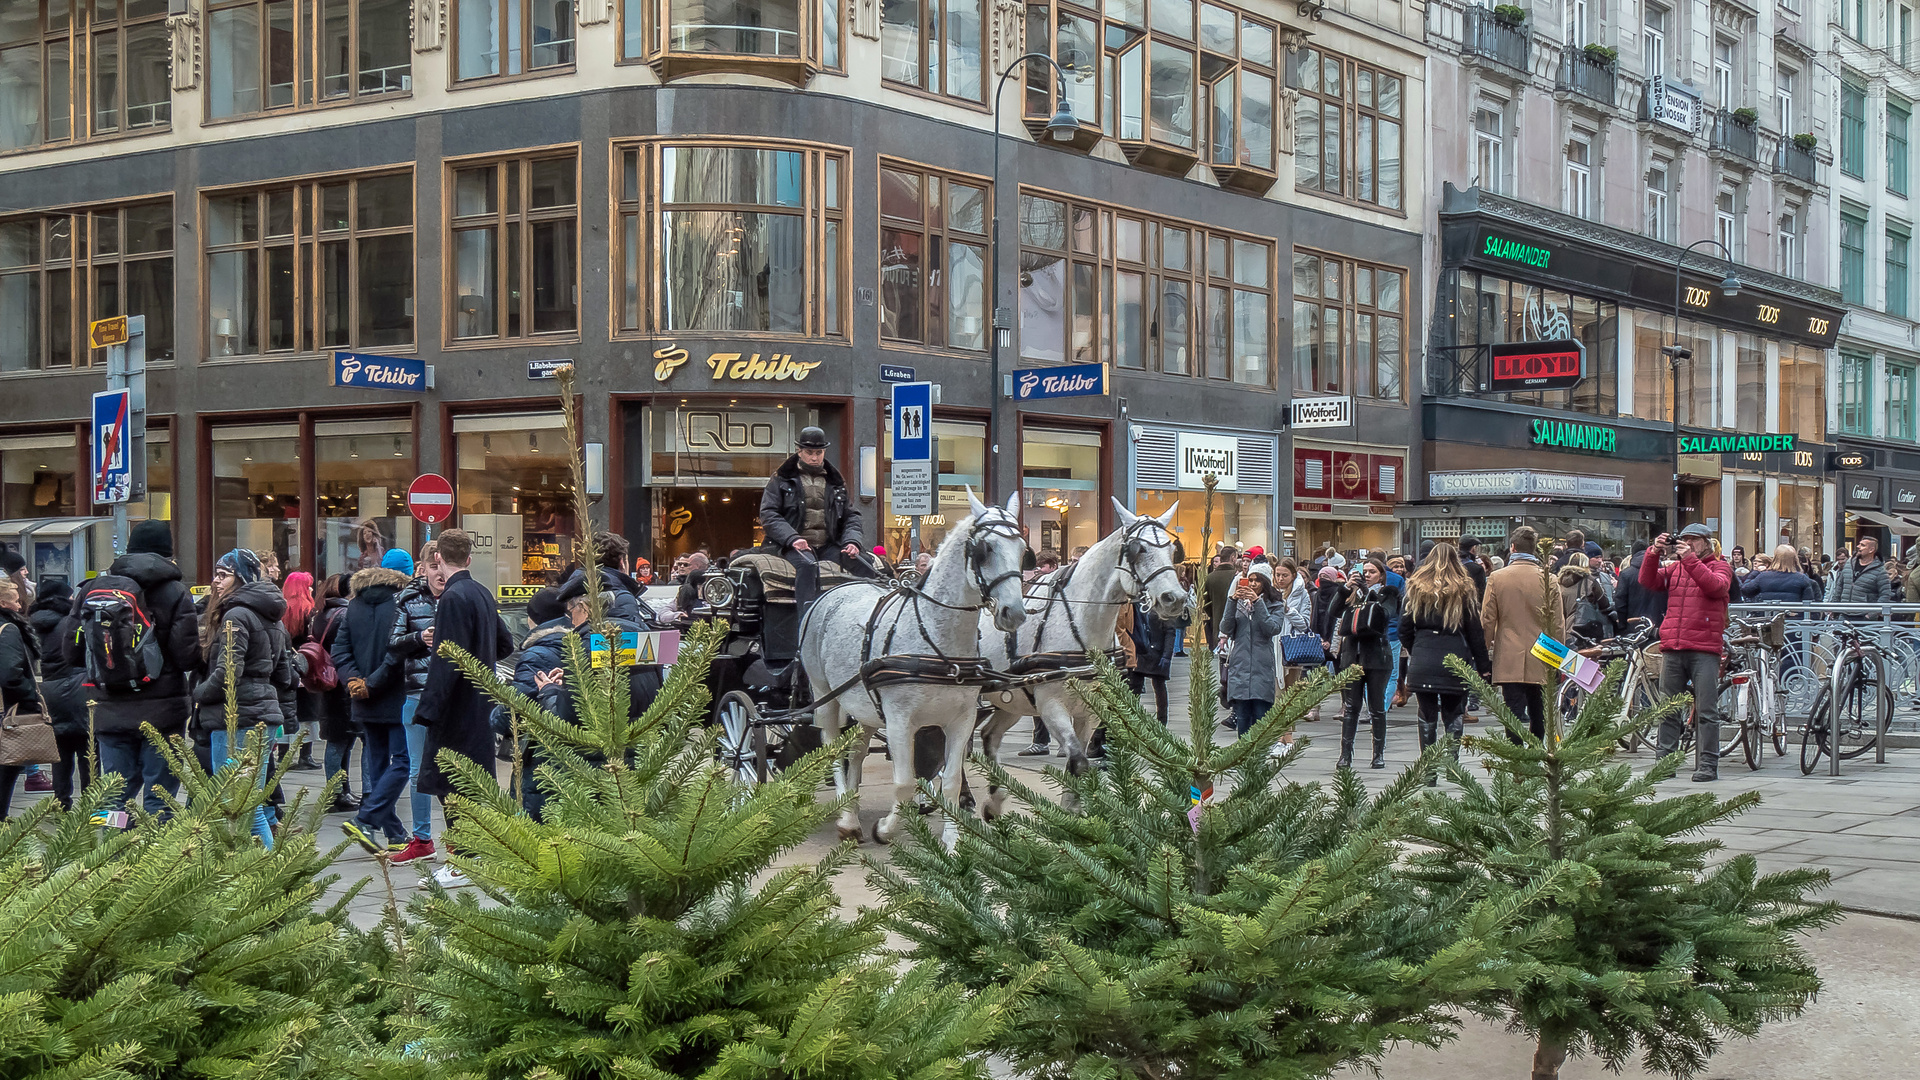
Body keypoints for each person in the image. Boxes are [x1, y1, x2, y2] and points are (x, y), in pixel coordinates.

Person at [65, 519, 200, 818]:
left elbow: (71, 652)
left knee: (113, 794)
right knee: (159, 795)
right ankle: (156, 858)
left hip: (110, 707)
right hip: (163, 711)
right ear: (168, 553)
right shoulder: (176, 592)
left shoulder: (94, 588)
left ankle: (112, 852)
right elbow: (185, 655)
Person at [413, 528, 515, 888]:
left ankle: (462, 861)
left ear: (438, 558)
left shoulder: (453, 599)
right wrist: (481, 654)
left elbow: (446, 661)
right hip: (480, 703)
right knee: (469, 785)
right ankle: (468, 856)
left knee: (453, 786)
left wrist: (428, 708)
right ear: (470, 559)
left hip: (456, 707)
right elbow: (504, 643)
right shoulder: (481, 593)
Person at [193, 549, 295, 848]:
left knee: (236, 806)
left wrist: (200, 695)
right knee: (252, 804)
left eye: (223, 575)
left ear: (241, 578)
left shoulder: (236, 614)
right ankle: (269, 871)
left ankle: (265, 873)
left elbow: (228, 672)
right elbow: (285, 675)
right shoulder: (270, 614)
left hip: (236, 717)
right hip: (263, 713)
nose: (215, 582)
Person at [330, 555, 415, 857]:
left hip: (363, 697)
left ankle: (394, 833)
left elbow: (339, 649)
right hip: (397, 694)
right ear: (406, 574)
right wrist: (373, 682)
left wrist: (354, 680)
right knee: (404, 761)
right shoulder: (405, 603)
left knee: (377, 761)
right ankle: (366, 820)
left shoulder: (355, 603)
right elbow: (398, 651)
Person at [1639, 525, 1735, 781]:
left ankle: (1707, 764)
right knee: (1668, 708)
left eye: (1694, 540)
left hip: (1704, 647)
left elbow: (1715, 587)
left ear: (1707, 543)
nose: (1688, 544)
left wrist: (1690, 560)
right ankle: (1665, 762)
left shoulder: (1720, 566)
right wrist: (1653, 553)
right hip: (1674, 645)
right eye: (1685, 539)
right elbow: (1648, 581)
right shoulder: (1676, 568)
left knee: (1706, 710)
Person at [1398, 542, 1491, 784]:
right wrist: (1483, 666)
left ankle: (1428, 770)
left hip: (1423, 657)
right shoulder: (1464, 589)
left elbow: (1404, 628)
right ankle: (1452, 765)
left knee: (1426, 713)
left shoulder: (1415, 587)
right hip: (1455, 658)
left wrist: (1415, 647)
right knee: (1454, 712)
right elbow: (1475, 632)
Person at [759, 426, 872, 610]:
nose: (814, 457)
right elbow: (769, 514)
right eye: (809, 452)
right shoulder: (780, 479)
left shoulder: (835, 482)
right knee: (807, 566)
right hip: (789, 546)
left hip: (828, 545)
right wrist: (793, 538)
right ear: (799, 451)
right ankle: (807, 621)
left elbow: (851, 516)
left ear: (824, 452)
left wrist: (853, 542)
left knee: (865, 564)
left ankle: (869, 616)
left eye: (818, 452)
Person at [385, 544, 444, 860]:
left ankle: (467, 838)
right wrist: (418, 639)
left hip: (452, 694)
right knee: (419, 769)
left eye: (442, 565)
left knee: (457, 768)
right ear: (422, 568)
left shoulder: (461, 597)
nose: (438, 573)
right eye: (432, 566)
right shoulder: (407, 600)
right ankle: (422, 838)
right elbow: (392, 644)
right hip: (417, 693)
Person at [1481, 527, 1566, 742]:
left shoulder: (1497, 578)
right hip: (1542, 652)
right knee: (1539, 710)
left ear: (1512, 547)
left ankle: (1516, 754)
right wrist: (1558, 659)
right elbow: (1557, 623)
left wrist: (1483, 654)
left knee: (1512, 709)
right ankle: (1537, 749)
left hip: (1509, 653)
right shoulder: (1549, 579)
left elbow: (1488, 620)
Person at [1325, 557, 1401, 768]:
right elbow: (1333, 611)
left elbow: (1385, 615)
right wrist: (1346, 588)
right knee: (1351, 708)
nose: (1366, 575)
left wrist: (1369, 593)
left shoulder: (1388, 594)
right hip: (1352, 657)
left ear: (1381, 575)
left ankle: (1378, 754)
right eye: (1364, 571)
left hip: (1377, 657)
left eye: (1372, 572)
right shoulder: (1351, 595)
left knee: (1377, 708)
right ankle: (1345, 754)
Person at [311, 573, 359, 813]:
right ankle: (337, 793)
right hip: (341, 685)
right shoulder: (343, 615)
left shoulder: (322, 614)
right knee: (340, 741)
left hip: (328, 684)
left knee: (339, 739)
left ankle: (341, 790)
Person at [1219, 562, 1284, 738]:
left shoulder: (1275, 604)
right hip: (1240, 669)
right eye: (1251, 580)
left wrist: (1258, 603)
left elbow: (1272, 628)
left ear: (1266, 583)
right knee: (1243, 723)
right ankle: (1244, 763)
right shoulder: (1238, 604)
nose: (1253, 584)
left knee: (1261, 721)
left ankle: (1259, 762)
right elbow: (1226, 627)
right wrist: (1231, 601)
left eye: (1258, 580)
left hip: (1261, 669)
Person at [0, 579, 43, 820]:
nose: (19, 606)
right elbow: (9, 674)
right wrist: (31, 695)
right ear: (2, 603)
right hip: (6, 712)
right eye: (15, 601)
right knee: (6, 773)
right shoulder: (8, 629)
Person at [1118, 589, 1179, 728]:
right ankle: (1132, 718)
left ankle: (1161, 721)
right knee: (1135, 687)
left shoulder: (1162, 607)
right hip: (1142, 651)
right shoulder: (1138, 603)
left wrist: (1166, 655)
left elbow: (1170, 632)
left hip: (1156, 652)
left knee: (1159, 687)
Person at [281, 572, 322, 771]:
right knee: (308, 712)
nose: (312, 589)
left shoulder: (280, 611)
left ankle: (282, 755)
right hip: (306, 667)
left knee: (287, 710)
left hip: (285, 668)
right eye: (309, 586)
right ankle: (305, 756)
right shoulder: (310, 611)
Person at [1612, 539, 1668, 634]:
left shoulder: (1626, 574)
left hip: (1633, 624)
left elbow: (1620, 602)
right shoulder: (1663, 572)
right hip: (1659, 625)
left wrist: (1622, 624)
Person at [1826, 534, 1897, 604]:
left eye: (1863, 545)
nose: (1858, 547)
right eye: (1859, 544)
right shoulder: (1849, 564)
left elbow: (1885, 595)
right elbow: (1839, 587)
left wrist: (1871, 614)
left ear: (1871, 550)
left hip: (1863, 613)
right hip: (1844, 612)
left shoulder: (1879, 570)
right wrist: (1835, 608)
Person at [1559, 552, 1612, 643]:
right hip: (1584, 629)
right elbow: (1604, 603)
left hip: (1563, 629)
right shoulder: (1589, 581)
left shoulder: (1559, 581)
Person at [1744, 545, 1821, 603]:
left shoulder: (1763, 576)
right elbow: (1809, 602)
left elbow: (1746, 590)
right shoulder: (1802, 578)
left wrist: (1755, 572)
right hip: (1794, 620)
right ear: (1794, 559)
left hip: (1769, 618)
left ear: (1775, 558)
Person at [1202, 548, 1241, 648]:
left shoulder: (1209, 577)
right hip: (1237, 623)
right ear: (1233, 558)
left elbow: (1205, 602)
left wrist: (1214, 613)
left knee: (1221, 656)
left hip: (1217, 621)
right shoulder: (1237, 577)